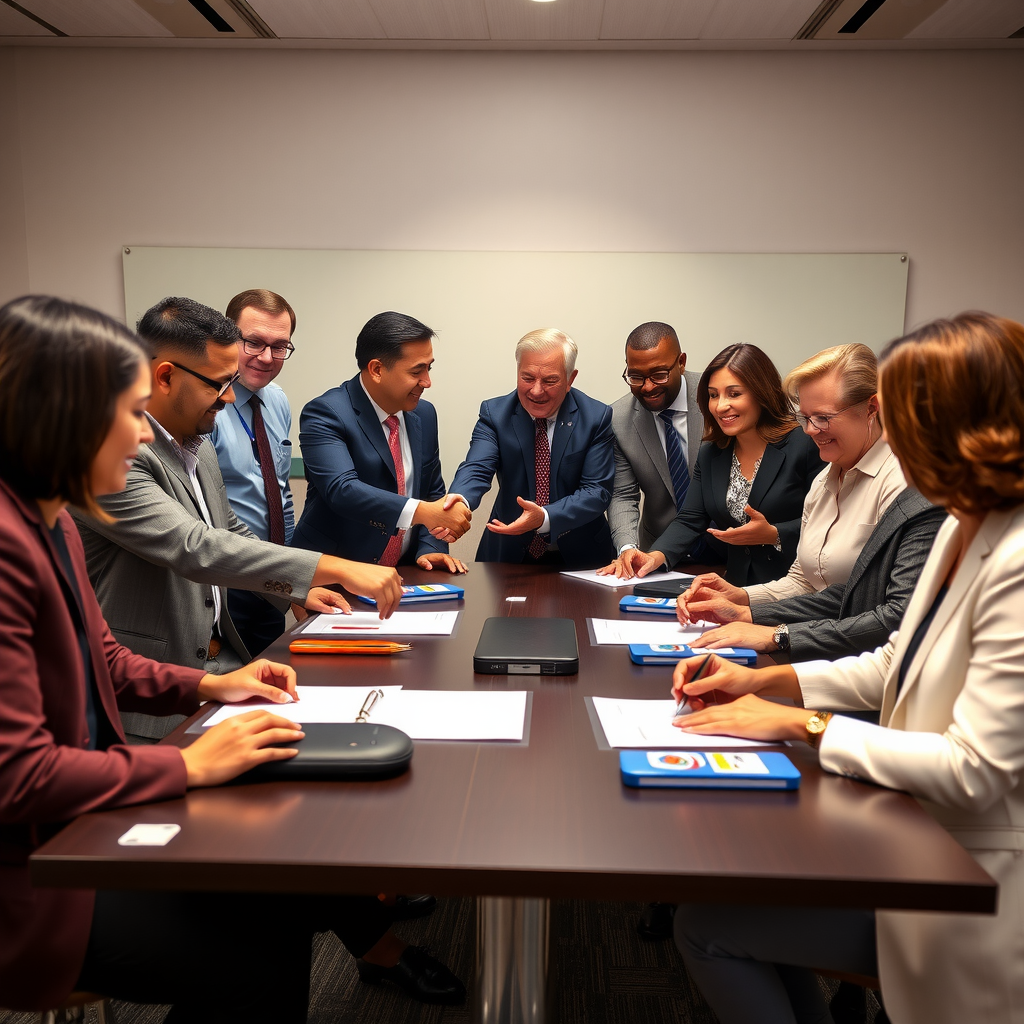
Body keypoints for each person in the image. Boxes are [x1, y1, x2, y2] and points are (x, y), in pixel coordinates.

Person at [0, 296, 464, 1021]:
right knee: (262, 939)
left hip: (87, 816)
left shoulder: (48, 521)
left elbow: (108, 661)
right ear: (57, 416)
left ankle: (367, 931)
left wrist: (212, 686)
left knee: (284, 877)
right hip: (37, 879)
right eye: (127, 412)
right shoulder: (12, 541)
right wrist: (186, 766)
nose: (139, 434)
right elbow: (17, 776)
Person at [669, 311, 1024, 1024]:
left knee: (708, 924)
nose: (895, 435)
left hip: (972, 881)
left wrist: (802, 722)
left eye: (906, 416)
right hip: (916, 836)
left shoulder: (1011, 556)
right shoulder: (965, 522)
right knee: (743, 894)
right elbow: (897, 661)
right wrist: (761, 680)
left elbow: (975, 770)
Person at [72, 297, 404, 743]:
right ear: (165, 376)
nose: (230, 397)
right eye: (219, 384)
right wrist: (336, 567)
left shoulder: (198, 440)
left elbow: (227, 528)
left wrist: (297, 588)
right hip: (149, 700)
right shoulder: (112, 452)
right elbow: (194, 546)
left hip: (221, 668)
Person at [676, 344, 947, 659]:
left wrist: (775, 633)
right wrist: (741, 599)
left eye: (822, 418)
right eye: (805, 417)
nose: (809, 430)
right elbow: (806, 583)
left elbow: (890, 614)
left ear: (871, 408)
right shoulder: (823, 482)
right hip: (823, 651)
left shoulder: (904, 485)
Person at [600, 343, 821, 586]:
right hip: (736, 586)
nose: (720, 406)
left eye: (734, 394)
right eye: (714, 395)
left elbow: (830, 522)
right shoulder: (712, 453)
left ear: (762, 393)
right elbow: (690, 519)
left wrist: (775, 535)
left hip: (797, 585)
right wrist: (654, 556)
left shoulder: (805, 443)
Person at [293, 311, 469, 571]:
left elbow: (431, 491)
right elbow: (342, 490)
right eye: (416, 371)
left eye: (429, 368)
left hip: (402, 573)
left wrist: (431, 547)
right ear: (376, 369)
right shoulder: (326, 413)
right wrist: (423, 512)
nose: (427, 382)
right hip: (334, 572)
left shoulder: (425, 414)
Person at [448, 328, 615, 567]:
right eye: (527, 378)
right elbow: (477, 467)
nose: (536, 390)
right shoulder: (495, 414)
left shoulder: (596, 417)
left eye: (550, 381)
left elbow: (597, 491)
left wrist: (545, 517)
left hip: (582, 555)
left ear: (570, 379)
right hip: (509, 553)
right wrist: (459, 501)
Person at [211, 288, 299, 656]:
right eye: (254, 342)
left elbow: (281, 491)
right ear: (228, 336)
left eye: (279, 346)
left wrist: (290, 567)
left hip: (272, 577)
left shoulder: (277, 400)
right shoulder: (208, 406)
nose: (266, 357)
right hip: (222, 578)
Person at [608, 321, 704, 554]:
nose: (648, 387)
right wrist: (628, 548)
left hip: (725, 546)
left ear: (681, 363)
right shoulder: (617, 420)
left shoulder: (715, 397)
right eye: (636, 376)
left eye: (659, 375)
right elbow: (622, 495)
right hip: (658, 550)